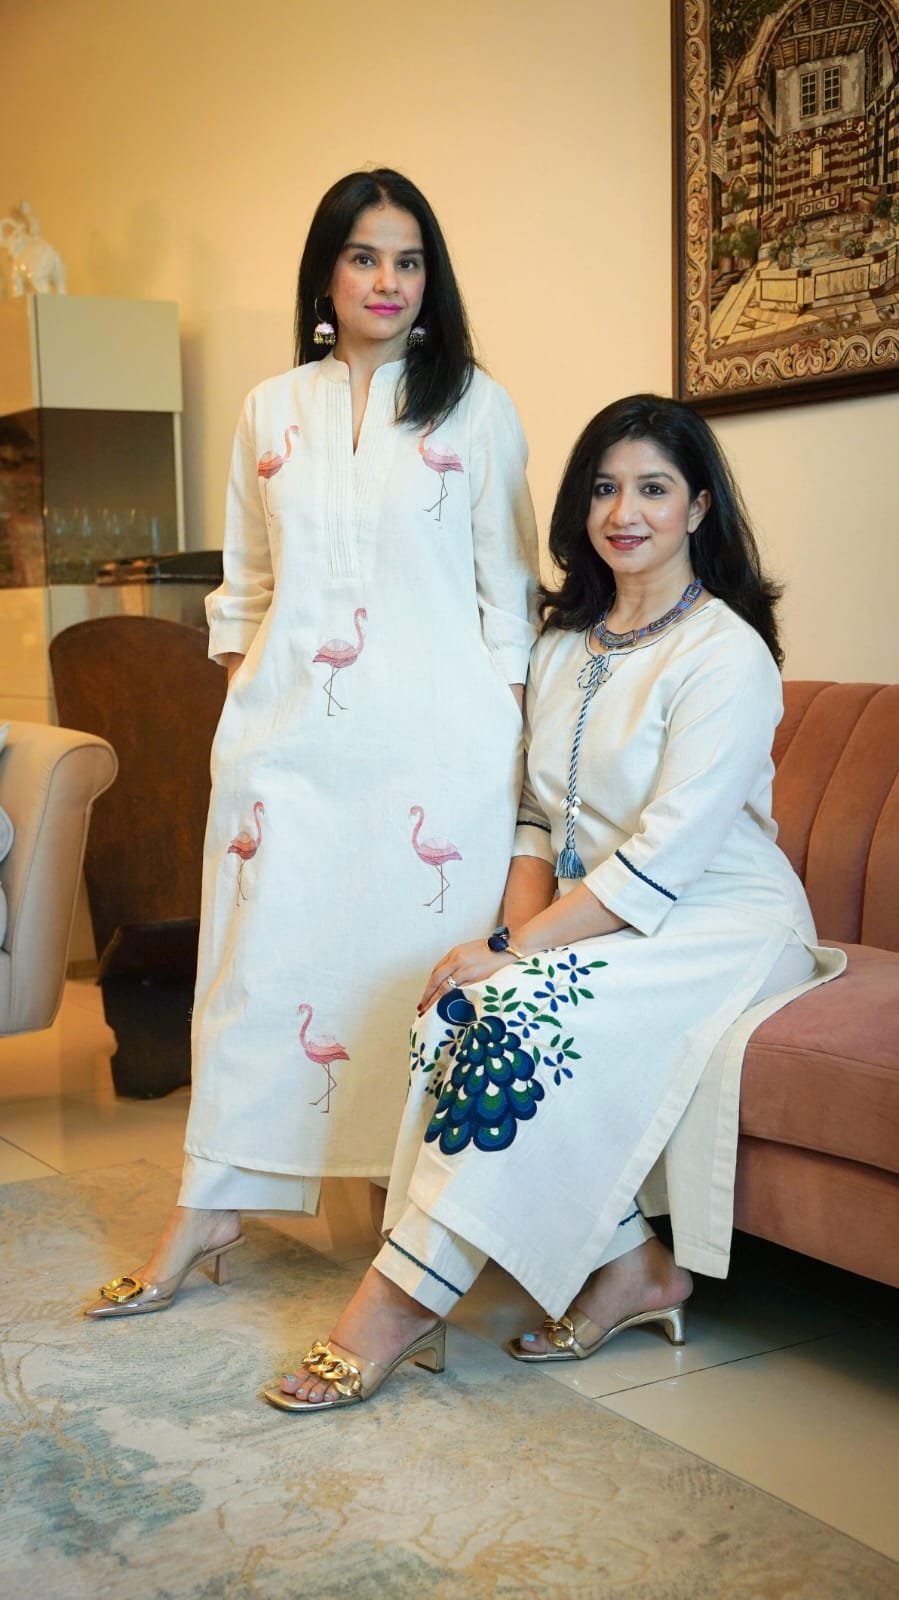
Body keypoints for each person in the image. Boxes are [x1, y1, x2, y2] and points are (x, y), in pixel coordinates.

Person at [263, 392, 845, 1412]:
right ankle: (632, 1269)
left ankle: (395, 1307)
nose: (624, 510)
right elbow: (535, 819)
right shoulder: (563, 645)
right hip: (602, 911)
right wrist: (502, 935)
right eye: (605, 487)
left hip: (720, 919)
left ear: (698, 507)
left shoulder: (724, 654)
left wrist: (523, 951)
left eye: (653, 489)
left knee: (513, 1013)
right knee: (449, 998)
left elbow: (669, 853)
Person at [84, 169, 537, 1319]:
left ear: (430, 282)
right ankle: (213, 1201)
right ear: (326, 275)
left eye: (408, 260)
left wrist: (506, 748)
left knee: (408, 979)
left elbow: (507, 599)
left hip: (436, 751)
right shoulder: (268, 409)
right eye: (363, 256)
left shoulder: (474, 409)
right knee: (257, 971)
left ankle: (410, 1231)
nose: (386, 281)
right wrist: (256, 716)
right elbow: (245, 592)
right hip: (289, 747)